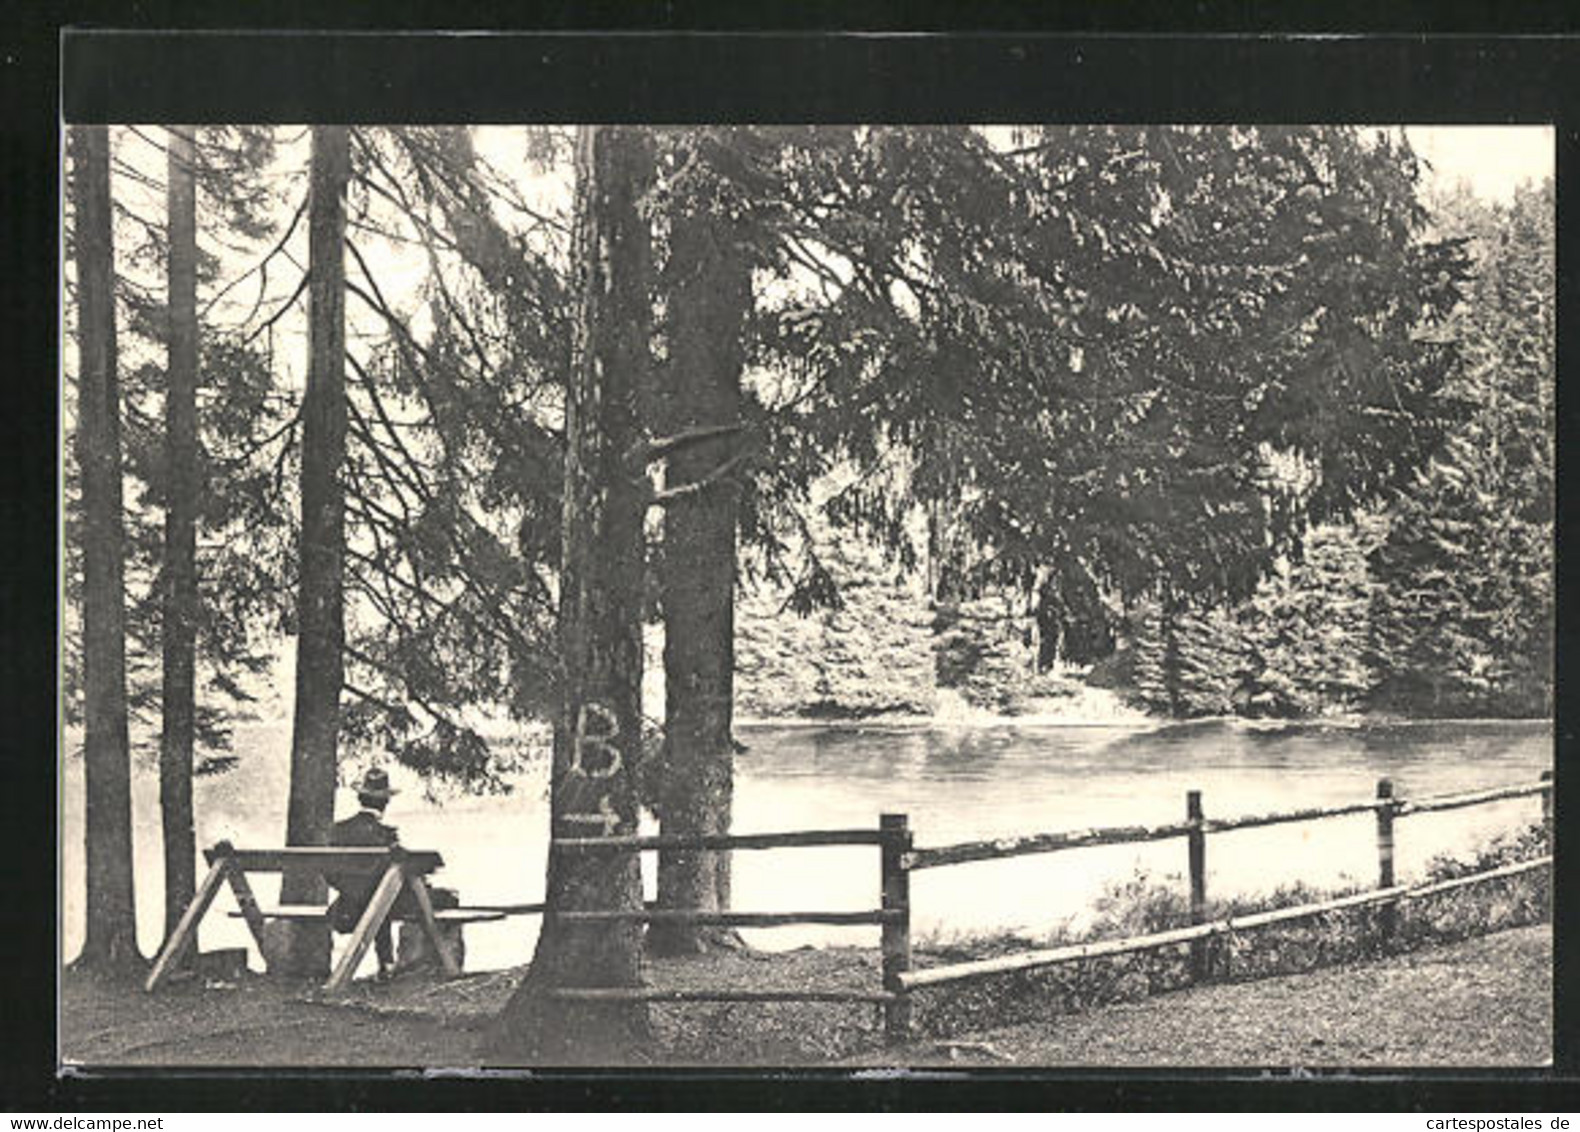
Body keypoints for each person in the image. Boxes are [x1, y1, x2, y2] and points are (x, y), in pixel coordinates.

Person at [326, 767, 409, 982]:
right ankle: (387, 964)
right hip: (373, 906)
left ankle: (386, 965)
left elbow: (329, 872)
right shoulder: (386, 835)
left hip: (346, 906)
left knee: (378, 897)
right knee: (384, 899)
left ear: (361, 799)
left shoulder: (338, 830)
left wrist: (350, 890)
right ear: (385, 803)